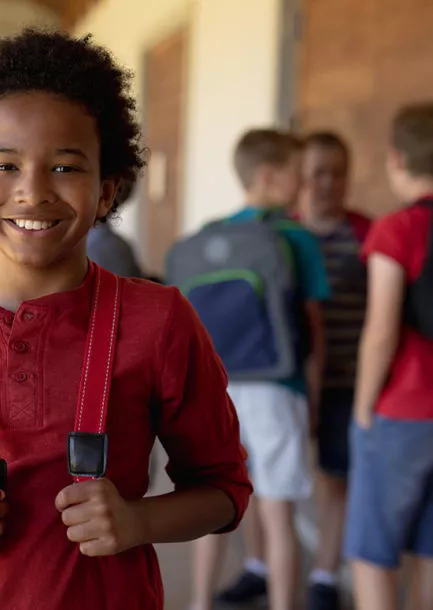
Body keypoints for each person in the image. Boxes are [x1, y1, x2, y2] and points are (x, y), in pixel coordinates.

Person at [0, 28, 252, 609]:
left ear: (106, 190)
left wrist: (139, 521)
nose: (32, 191)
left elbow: (224, 488)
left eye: (66, 167)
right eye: (4, 165)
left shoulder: (159, 321)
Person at [189, 129, 329, 610]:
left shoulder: (209, 238)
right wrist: (312, 395)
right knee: (278, 512)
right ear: (270, 175)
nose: (304, 184)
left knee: (211, 505)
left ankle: (200, 603)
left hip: (216, 391)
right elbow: (313, 328)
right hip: (276, 386)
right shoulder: (296, 238)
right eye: (298, 174)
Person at [346, 102, 433, 610]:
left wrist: (362, 409)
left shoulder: (397, 230)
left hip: (402, 409)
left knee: (372, 553)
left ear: (397, 160)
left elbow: (380, 330)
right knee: (429, 550)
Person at [296, 131, 370, 610]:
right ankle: (262, 567)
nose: (327, 182)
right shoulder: (285, 234)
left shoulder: (367, 233)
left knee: (336, 477)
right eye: (317, 172)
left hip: (350, 382)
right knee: (273, 480)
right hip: (295, 384)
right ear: (301, 176)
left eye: (337, 172)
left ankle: (325, 573)